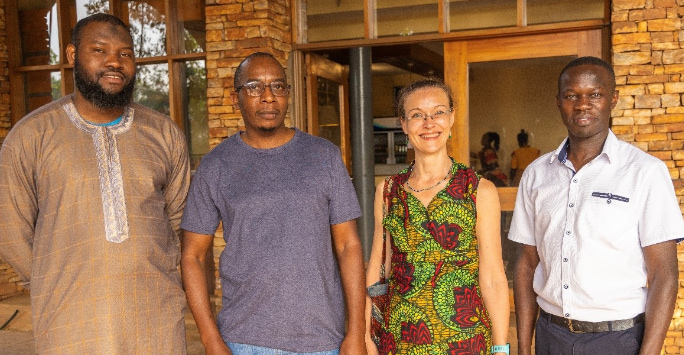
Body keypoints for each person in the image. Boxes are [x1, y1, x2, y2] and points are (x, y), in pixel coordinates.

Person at [0, 13, 190, 354]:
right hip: (69, 318)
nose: (114, 62)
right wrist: (54, 276)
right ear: (73, 55)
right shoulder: (32, 136)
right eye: (100, 50)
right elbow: (10, 227)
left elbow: (179, 220)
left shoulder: (163, 134)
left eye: (125, 54)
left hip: (155, 315)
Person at [180, 52, 367, 355]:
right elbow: (193, 257)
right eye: (254, 87)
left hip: (321, 340)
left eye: (278, 86)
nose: (268, 97)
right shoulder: (216, 165)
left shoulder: (324, 156)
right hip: (243, 341)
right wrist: (210, 339)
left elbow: (349, 246)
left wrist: (356, 331)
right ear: (235, 97)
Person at [509, 56, 684, 355]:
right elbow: (525, 264)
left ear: (613, 99)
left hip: (617, 339)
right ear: (559, 102)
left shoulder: (645, 172)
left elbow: (664, 274)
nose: (582, 104)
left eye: (595, 94)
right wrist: (524, 347)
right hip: (551, 337)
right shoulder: (537, 173)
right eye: (571, 96)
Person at [365, 79, 510, 355]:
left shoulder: (478, 189)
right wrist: (366, 335)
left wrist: (501, 348)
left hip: (465, 341)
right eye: (417, 115)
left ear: (452, 117)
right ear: (404, 124)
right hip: (401, 337)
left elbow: (493, 277)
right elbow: (377, 268)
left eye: (438, 112)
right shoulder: (388, 191)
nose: (429, 123)